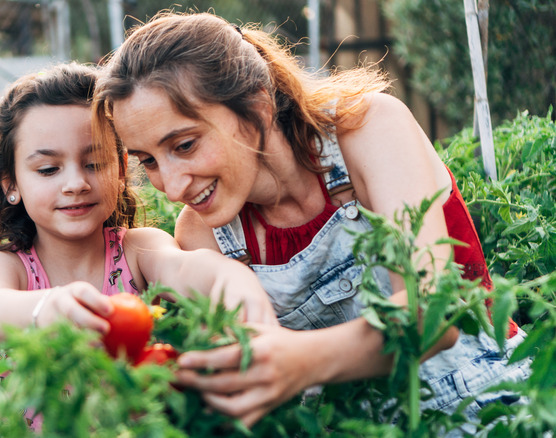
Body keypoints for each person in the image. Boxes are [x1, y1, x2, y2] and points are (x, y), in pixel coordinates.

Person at [92, 12, 530, 432]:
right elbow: (252, 366)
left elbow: (435, 316)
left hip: (498, 406)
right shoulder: (202, 233)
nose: (171, 186)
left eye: (185, 145)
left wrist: (299, 360)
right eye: (147, 160)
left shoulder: (368, 130)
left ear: (258, 106)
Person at [0, 62, 275, 355]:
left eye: (95, 164)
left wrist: (230, 278)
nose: (76, 183)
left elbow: (183, 267)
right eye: (48, 169)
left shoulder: (138, 252)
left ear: (121, 170)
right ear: (11, 185)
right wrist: (48, 307)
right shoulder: (4, 266)